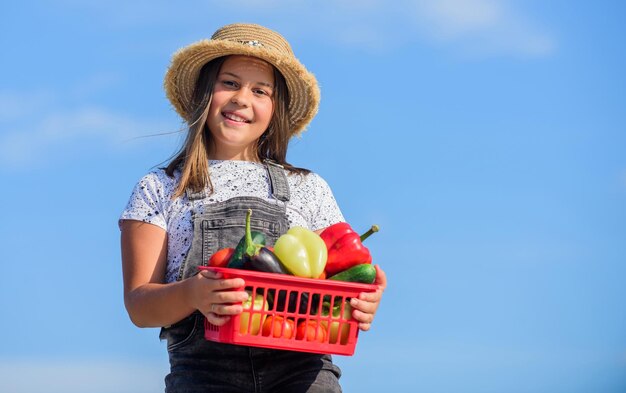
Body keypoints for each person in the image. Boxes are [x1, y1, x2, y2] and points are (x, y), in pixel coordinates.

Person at [119, 23, 387, 392]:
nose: (242, 98)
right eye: (229, 83)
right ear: (203, 92)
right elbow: (139, 305)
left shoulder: (307, 188)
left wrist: (365, 297)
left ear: (275, 110)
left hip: (302, 375)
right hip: (204, 376)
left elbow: (344, 275)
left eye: (260, 90)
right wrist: (193, 293)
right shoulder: (160, 188)